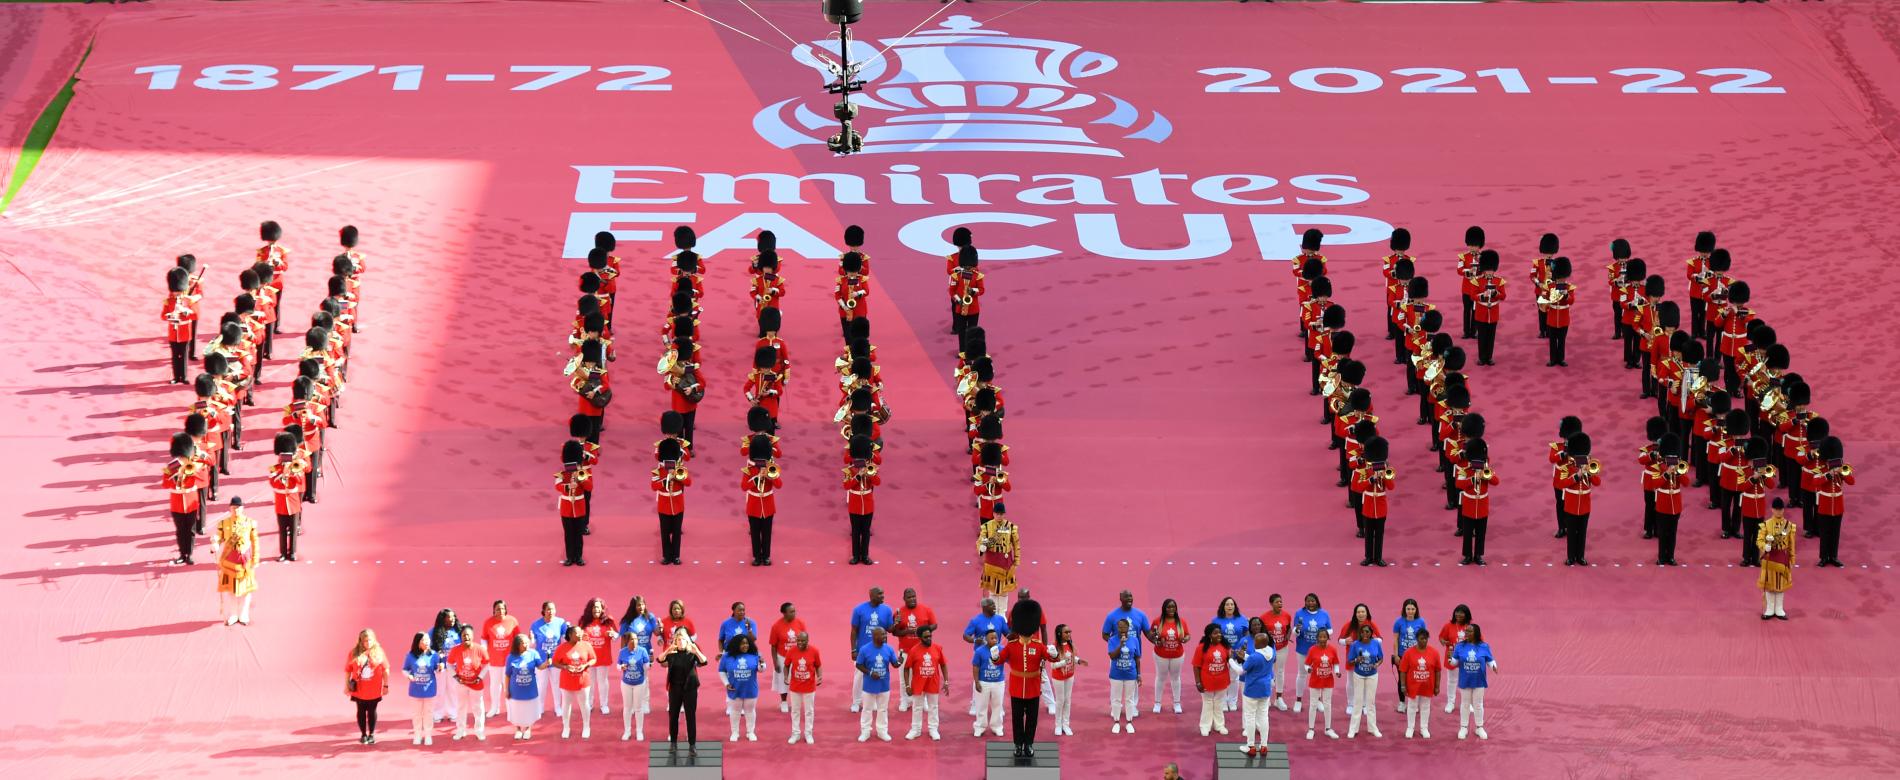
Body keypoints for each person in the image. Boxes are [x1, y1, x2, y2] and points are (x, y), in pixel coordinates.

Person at [1000, 599, 1053, 757]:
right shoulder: (1012, 645)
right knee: (1017, 719)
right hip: (1017, 688)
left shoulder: (1038, 645)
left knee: (1032, 719)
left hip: (1033, 688)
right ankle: (1018, 744)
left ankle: (1028, 744)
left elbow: (1050, 658)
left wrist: (1054, 654)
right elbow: (999, 660)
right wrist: (994, 656)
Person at [211, 497, 259, 625]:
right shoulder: (223, 523)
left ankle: (243, 614)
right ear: (230, 508)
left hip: (245, 562)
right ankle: (233, 614)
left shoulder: (250, 523)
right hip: (229, 562)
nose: (236, 510)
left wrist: (255, 559)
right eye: (233, 508)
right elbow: (219, 538)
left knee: (246, 590)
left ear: (242, 508)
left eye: (238, 508)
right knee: (231, 590)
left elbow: (255, 542)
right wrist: (215, 544)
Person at [659, 627, 709, 752]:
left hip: (690, 688)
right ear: (675, 641)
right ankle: (673, 743)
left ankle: (692, 744)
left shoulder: (691, 653)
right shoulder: (672, 654)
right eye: (678, 640)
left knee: (690, 716)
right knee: (673, 716)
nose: (680, 642)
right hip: (675, 688)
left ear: (687, 641)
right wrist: (668, 650)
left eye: (683, 640)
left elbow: (704, 661)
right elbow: (660, 659)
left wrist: (696, 651)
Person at [1558, 432, 1602, 565]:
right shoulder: (1567, 467)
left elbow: (1598, 482)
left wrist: (1588, 472)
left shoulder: (1590, 466)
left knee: (1582, 533)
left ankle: (1580, 557)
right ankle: (1571, 557)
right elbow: (1561, 483)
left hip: (1584, 506)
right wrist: (1577, 476)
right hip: (1571, 506)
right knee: (1571, 533)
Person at [893, 588, 938, 712]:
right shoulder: (899, 613)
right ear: (904, 599)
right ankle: (905, 700)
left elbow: (934, 625)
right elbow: (895, 632)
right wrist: (906, 631)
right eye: (909, 597)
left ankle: (923, 700)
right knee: (904, 678)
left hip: (922, 651)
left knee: (922, 676)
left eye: (914, 596)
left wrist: (921, 631)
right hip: (905, 651)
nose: (912, 599)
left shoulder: (926, 610)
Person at [848, 588, 893, 713]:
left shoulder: (887, 610)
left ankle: (873, 702)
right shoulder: (859, 609)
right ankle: (856, 702)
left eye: (883, 593)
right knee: (859, 677)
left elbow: (890, 629)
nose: (883, 596)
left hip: (880, 650)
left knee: (878, 675)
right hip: (863, 650)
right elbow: (854, 631)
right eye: (880, 594)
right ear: (871, 595)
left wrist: (896, 623)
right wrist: (853, 649)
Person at [1450, 623, 1497, 740]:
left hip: (1479, 680)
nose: (1466, 633)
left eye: (1470, 631)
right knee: (1465, 704)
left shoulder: (1484, 646)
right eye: (1466, 631)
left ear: (1476, 633)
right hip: (1465, 680)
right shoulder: (1460, 646)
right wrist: (1450, 658)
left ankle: (1479, 727)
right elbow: (1454, 663)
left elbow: (1490, 660)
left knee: (1478, 704)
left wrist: (1493, 666)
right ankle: (1464, 727)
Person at [855, 626, 901, 742]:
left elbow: (895, 664)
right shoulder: (864, 649)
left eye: (885, 634)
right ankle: (865, 731)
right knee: (867, 709)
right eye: (883, 634)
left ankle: (882, 731)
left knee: (883, 709)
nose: (885, 636)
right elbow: (859, 665)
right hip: (869, 686)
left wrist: (899, 662)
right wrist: (870, 673)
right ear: (875, 636)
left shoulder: (889, 649)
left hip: (884, 685)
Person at [903, 626, 950, 740]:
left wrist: (946, 681)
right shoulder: (913, 650)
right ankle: (915, 730)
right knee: (917, 707)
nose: (929, 638)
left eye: (930, 636)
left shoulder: (937, 648)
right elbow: (906, 668)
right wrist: (907, 685)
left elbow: (943, 664)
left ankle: (933, 729)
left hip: (933, 683)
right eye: (926, 637)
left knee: (933, 707)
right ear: (919, 637)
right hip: (918, 684)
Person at [1812, 437, 1852, 567]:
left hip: (1838, 505)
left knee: (1835, 532)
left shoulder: (1842, 467)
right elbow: (1815, 482)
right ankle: (1824, 557)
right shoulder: (1821, 467)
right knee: (1824, 533)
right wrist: (1828, 475)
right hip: (1825, 504)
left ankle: (1833, 556)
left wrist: (1842, 473)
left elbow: (1852, 481)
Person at [347, 629, 391, 745]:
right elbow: (348, 670)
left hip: (374, 689)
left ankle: (371, 734)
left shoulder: (379, 652)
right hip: (359, 689)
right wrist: (346, 685)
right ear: (361, 641)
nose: (368, 643)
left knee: (372, 711)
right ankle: (363, 734)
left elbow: (386, 669)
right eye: (365, 640)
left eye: (370, 640)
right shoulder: (354, 652)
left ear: (374, 640)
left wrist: (386, 685)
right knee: (360, 711)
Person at [552, 626, 596, 739]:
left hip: (583, 681)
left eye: (581, 632)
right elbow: (555, 662)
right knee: (566, 705)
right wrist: (566, 667)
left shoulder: (586, 645)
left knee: (584, 704)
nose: (580, 634)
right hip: (567, 681)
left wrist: (585, 665)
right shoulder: (562, 648)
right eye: (577, 633)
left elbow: (593, 659)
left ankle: (586, 727)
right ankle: (566, 728)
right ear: (570, 635)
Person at [481, 602, 523, 717]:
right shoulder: (488, 622)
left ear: (506, 609)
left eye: (502, 609)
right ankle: (494, 708)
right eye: (497, 609)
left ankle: (511, 709)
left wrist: (518, 653)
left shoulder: (512, 621)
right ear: (494, 610)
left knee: (508, 685)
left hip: (509, 660)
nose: (500, 611)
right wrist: (484, 649)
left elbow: (518, 638)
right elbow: (484, 639)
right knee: (495, 685)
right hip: (494, 660)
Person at [977, 504, 1020, 615]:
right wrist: (981, 546)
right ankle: (994, 612)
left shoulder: (1011, 527)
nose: (999, 516)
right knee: (993, 590)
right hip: (992, 563)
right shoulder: (986, 527)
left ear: (1004, 514)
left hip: (1006, 563)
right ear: (993, 514)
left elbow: (1016, 545)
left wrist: (1016, 560)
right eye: (997, 514)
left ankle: (1002, 613)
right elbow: (981, 540)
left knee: (1004, 591)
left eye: (1001, 514)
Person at [530, 602, 571, 717]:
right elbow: (532, 643)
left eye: (552, 609)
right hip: (541, 660)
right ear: (543, 611)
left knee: (556, 684)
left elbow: (566, 639)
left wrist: (569, 631)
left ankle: (558, 707)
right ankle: (540, 707)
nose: (550, 612)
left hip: (556, 659)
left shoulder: (560, 623)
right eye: (548, 609)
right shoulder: (536, 624)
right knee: (541, 684)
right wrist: (531, 639)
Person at [1290, 594, 1331, 712]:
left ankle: (1318, 700)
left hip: (1319, 649)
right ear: (1305, 602)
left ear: (1317, 601)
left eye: (1313, 601)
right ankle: (1298, 700)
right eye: (1308, 601)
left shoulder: (1324, 614)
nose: (1310, 603)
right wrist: (1297, 629)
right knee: (1302, 674)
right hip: (1303, 649)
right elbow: (1295, 632)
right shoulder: (1299, 613)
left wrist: (1323, 635)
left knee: (1318, 674)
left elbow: (1330, 629)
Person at [1236, 631, 1274, 755]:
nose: (1254, 643)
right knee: (1264, 716)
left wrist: (1231, 661)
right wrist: (1245, 656)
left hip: (1252, 689)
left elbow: (1241, 671)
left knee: (1250, 717)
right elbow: (1256, 660)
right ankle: (1264, 746)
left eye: (1256, 642)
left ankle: (1251, 746)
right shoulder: (1271, 651)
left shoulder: (1254, 656)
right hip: (1265, 689)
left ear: (1260, 643)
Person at [403, 633, 445, 746]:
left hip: (429, 689)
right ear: (417, 642)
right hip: (415, 690)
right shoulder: (410, 656)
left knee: (429, 713)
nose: (426, 642)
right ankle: (417, 735)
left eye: (427, 640)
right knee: (417, 714)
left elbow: (437, 670)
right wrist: (408, 676)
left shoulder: (434, 655)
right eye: (423, 640)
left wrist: (440, 668)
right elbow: (405, 669)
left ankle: (428, 735)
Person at [1758, 498, 1797, 620]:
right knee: (1769, 584)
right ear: (1772, 510)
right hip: (1769, 558)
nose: (1779, 512)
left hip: (1782, 558)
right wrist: (1765, 546)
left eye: (1780, 510)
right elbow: (1759, 540)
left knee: (1781, 584)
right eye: (1776, 509)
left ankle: (1779, 608)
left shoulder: (1788, 526)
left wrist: (1792, 559)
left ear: (1783, 510)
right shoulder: (1766, 525)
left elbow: (1791, 545)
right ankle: (1770, 609)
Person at [579, 599, 619, 715]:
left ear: (602, 609)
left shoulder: (608, 620)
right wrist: (582, 637)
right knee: (590, 681)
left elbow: (617, 635)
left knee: (603, 681)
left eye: (598, 607)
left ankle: (604, 704)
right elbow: (577, 635)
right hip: (589, 658)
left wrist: (612, 634)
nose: (596, 609)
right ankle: (589, 703)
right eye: (594, 607)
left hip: (603, 656)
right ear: (590, 609)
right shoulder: (584, 621)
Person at [447, 624, 487, 740]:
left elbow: (487, 664)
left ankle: (479, 731)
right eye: (464, 635)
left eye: (468, 635)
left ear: (472, 636)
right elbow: (449, 664)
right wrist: (456, 677)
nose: (466, 637)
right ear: (461, 637)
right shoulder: (455, 650)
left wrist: (480, 677)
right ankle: (461, 730)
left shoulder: (480, 649)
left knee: (478, 708)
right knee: (461, 707)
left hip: (476, 684)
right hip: (461, 684)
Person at [504, 634, 548, 740]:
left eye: (528, 642)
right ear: (517, 645)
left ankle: (528, 729)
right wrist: (507, 689)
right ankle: (518, 729)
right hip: (516, 690)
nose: (527, 645)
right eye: (524, 643)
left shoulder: (533, 653)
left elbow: (540, 666)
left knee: (529, 710)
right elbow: (507, 675)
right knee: (517, 710)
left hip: (530, 689)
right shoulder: (511, 657)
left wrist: (547, 663)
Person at [1149, 598, 1189, 715]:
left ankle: (1177, 703)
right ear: (1164, 609)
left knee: (1175, 678)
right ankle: (1157, 703)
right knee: (1160, 677)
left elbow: (1187, 635)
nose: (1171, 609)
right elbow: (1151, 635)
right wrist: (1157, 641)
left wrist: (1185, 639)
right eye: (1169, 607)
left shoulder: (1181, 622)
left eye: (1173, 607)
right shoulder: (1157, 621)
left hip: (1177, 655)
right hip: (1161, 655)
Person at [653, 439, 690, 565]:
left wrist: (676, 476)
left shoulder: (681, 469)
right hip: (663, 506)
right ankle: (666, 556)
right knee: (665, 533)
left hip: (678, 505)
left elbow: (689, 482)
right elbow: (653, 486)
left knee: (676, 532)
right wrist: (664, 481)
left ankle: (676, 556)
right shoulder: (658, 470)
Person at [1190, 624, 1231, 736]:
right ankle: (1205, 726)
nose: (1219, 635)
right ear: (1209, 635)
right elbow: (1196, 666)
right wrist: (1198, 682)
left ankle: (1219, 725)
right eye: (1215, 633)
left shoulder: (1225, 646)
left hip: (1222, 680)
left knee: (1219, 703)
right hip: (1207, 681)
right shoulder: (1201, 648)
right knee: (1207, 703)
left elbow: (1231, 661)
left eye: (1220, 633)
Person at [1344, 624, 1384, 738]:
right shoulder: (1355, 645)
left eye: (1367, 632)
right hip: (1359, 675)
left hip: (1372, 675)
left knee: (1370, 702)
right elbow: (1350, 661)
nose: (1365, 634)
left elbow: (1381, 658)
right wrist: (1357, 660)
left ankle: (1373, 728)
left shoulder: (1376, 643)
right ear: (1360, 633)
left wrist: (1376, 664)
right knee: (1358, 702)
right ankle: (1353, 729)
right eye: (1363, 632)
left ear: (1371, 633)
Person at [720, 634, 763, 741]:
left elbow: (761, 669)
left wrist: (762, 664)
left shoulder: (754, 655)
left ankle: (750, 732)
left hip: (750, 689)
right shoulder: (727, 657)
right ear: (736, 645)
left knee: (750, 711)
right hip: (734, 689)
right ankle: (735, 732)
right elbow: (721, 671)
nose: (745, 645)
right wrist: (726, 683)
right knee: (735, 711)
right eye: (742, 643)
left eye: (747, 643)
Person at [1301, 627, 1342, 740]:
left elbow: (1336, 663)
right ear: (1317, 638)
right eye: (1320, 637)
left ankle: (1328, 729)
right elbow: (1306, 664)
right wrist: (1308, 669)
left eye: (1324, 637)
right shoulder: (1312, 650)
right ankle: (1311, 729)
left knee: (1327, 704)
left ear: (1328, 638)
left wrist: (1337, 672)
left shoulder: (1333, 649)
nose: (1322, 639)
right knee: (1313, 704)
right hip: (1315, 680)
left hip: (1328, 681)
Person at [1043, 624, 1083, 736]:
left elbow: (1072, 657)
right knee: (1060, 701)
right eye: (1066, 632)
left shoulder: (1070, 644)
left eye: (1070, 632)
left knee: (1067, 700)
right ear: (1059, 634)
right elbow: (1053, 665)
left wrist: (1078, 661)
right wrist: (1064, 662)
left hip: (1070, 676)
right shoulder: (1054, 647)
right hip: (1058, 678)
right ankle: (1058, 725)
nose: (1069, 634)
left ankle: (1066, 724)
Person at [557, 442, 593, 566]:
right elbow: (558, 486)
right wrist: (568, 487)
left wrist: (580, 479)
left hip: (579, 508)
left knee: (578, 534)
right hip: (566, 509)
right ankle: (569, 557)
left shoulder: (582, 473)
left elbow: (589, 487)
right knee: (568, 534)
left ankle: (578, 557)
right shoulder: (562, 473)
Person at [845, 437, 880, 564]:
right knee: (855, 531)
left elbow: (878, 482)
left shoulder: (871, 468)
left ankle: (865, 555)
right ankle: (855, 556)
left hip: (868, 504)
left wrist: (869, 475)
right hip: (855, 505)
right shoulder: (849, 470)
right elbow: (846, 486)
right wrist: (858, 477)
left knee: (865, 532)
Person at [783, 631, 823, 744]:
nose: (800, 643)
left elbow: (818, 665)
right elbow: (786, 665)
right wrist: (786, 676)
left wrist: (820, 676)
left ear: (808, 641)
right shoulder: (791, 651)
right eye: (798, 640)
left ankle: (808, 733)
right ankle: (795, 733)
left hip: (809, 687)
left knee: (809, 711)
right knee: (795, 711)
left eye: (803, 641)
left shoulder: (814, 651)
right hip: (795, 687)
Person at [767, 602, 807, 714]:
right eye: (791, 612)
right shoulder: (776, 626)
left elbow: (805, 640)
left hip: (797, 657)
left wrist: (805, 655)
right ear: (784, 613)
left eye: (794, 611)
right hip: (782, 657)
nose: (794, 613)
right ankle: (784, 702)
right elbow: (773, 646)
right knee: (783, 680)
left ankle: (796, 701)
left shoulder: (800, 623)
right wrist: (775, 662)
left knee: (798, 679)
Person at [1400, 633, 1441, 738]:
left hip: (1427, 685)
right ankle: (1410, 727)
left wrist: (1437, 686)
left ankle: (1424, 728)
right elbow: (1403, 670)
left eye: (1426, 639)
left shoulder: (1434, 652)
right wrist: (1403, 686)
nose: (1424, 641)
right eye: (1422, 638)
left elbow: (1438, 670)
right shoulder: (1408, 653)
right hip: (1413, 686)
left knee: (1425, 706)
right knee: (1412, 706)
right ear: (1416, 639)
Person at [1258, 595, 1294, 711]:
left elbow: (1289, 628)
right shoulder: (1263, 617)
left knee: (1280, 671)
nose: (1280, 604)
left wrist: (1287, 637)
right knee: (1267, 672)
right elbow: (1260, 632)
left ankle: (1279, 698)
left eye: (1281, 602)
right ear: (1271, 604)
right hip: (1268, 649)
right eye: (1277, 602)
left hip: (1282, 648)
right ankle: (1266, 697)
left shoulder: (1287, 615)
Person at [1390, 599, 1427, 714]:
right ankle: (1402, 702)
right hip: (1402, 655)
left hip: (1416, 656)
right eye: (1408, 609)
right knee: (1402, 679)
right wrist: (1396, 655)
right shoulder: (1398, 622)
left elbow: (1424, 639)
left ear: (1416, 610)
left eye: (1412, 609)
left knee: (1415, 678)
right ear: (1404, 609)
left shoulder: (1421, 621)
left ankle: (1414, 702)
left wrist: (1424, 654)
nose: (1410, 611)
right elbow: (1395, 639)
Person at [616, 630, 653, 741]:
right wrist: (621, 667)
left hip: (639, 684)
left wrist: (650, 663)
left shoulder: (642, 651)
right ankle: (627, 731)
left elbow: (647, 666)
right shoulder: (622, 652)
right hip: (626, 683)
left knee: (638, 708)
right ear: (627, 641)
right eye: (632, 639)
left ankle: (639, 731)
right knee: (627, 708)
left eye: (636, 638)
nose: (635, 641)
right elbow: (618, 665)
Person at [1438, 604, 1473, 715]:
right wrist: (1443, 642)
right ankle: (1451, 702)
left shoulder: (1471, 627)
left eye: (1462, 612)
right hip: (1452, 656)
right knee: (1452, 681)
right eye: (1457, 612)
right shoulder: (1448, 626)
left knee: (1467, 681)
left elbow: (1480, 640)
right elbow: (1441, 637)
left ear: (1466, 614)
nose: (1459, 614)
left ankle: (1468, 703)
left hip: (1468, 659)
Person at [972, 628, 1007, 737]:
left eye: (996, 638)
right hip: (984, 682)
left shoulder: (1002, 649)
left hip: (998, 682)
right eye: (992, 638)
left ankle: (997, 727)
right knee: (981, 706)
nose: (994, 640)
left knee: (998, 706)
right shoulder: (979, 651)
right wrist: (976, 682)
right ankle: (980, 727)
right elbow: (975, 666)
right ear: (986, 639)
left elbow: (1010, 660)